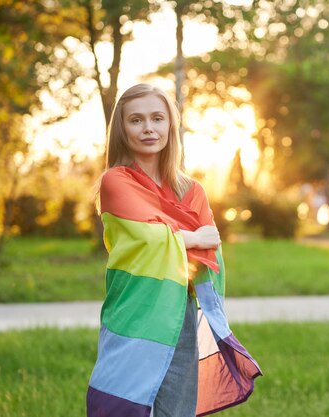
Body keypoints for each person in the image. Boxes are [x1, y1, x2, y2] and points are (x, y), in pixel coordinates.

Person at [87, 83, 261, 417]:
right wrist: (193, 238)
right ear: (122, 129)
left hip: (178, 307)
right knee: (117, 400)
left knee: (176, 407)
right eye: (136, 120)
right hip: (134, 307)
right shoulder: (116, 181)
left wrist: (178, 237)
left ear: (171, 125)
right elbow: (146, 239)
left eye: (157, 118)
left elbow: (207, 251)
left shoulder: (191, 190)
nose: (148, 128)